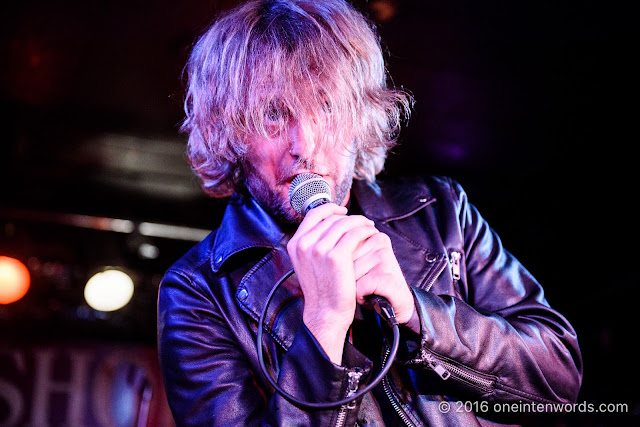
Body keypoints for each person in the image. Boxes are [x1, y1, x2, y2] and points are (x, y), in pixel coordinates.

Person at [157, 0, 582, 425]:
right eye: (273, 114)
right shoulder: (197, 291)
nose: (303, 145)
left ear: (360, 117)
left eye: (325, 107)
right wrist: (324, 325)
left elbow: (559, 379)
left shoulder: (441, 210)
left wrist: (418, 313)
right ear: (228, 133)